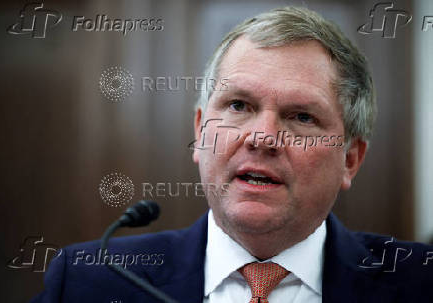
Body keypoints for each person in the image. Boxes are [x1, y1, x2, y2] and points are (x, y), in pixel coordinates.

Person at [31, 6, 433, 303]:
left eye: (302, 116)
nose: (262, 137)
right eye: (239, 106)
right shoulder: (90, 281)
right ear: (200, 130)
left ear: (350, 159)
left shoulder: (420, 281)